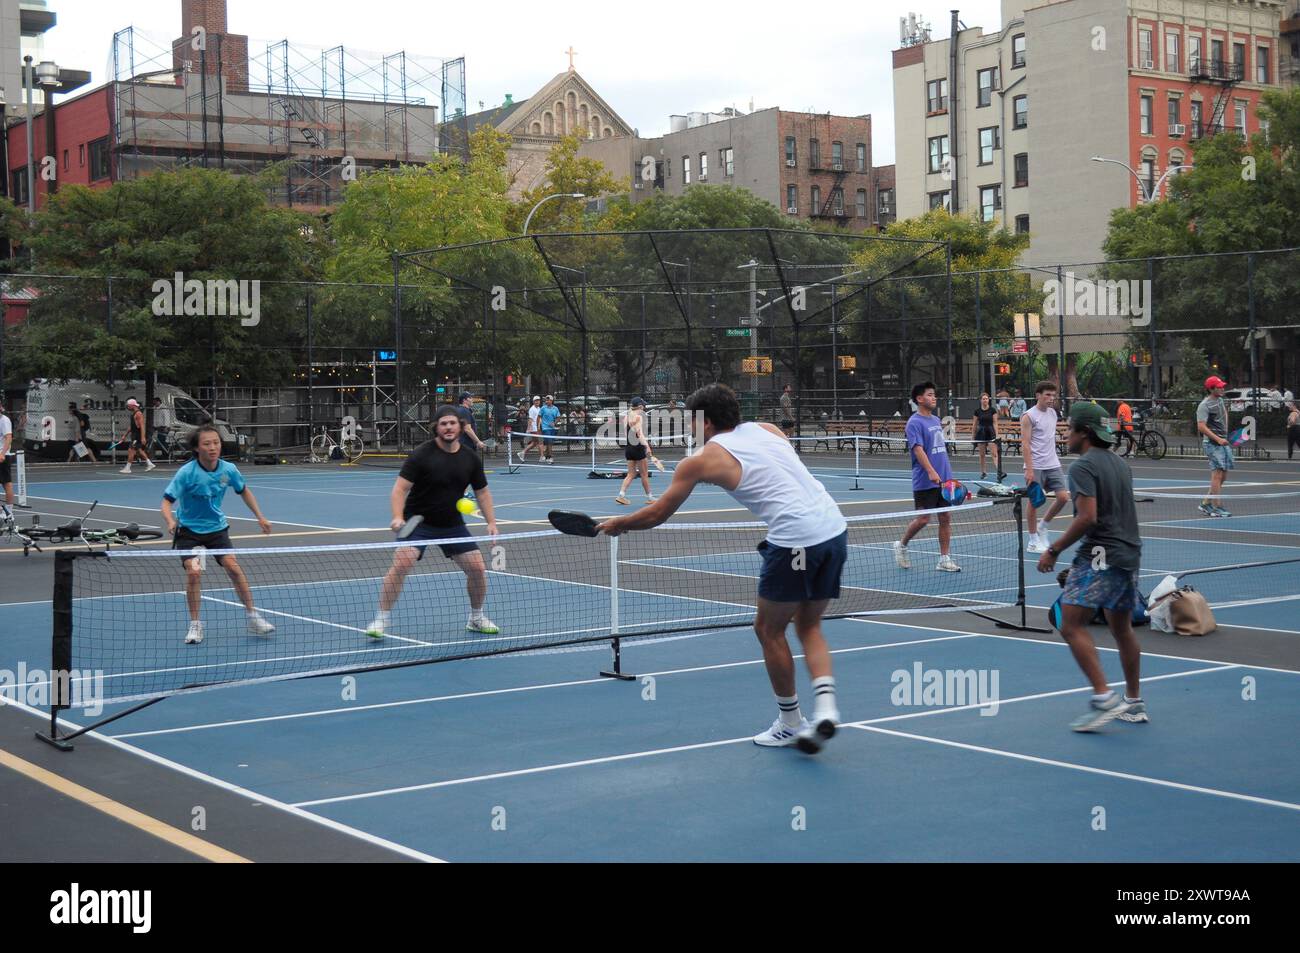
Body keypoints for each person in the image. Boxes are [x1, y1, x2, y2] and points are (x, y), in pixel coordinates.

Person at [597, 383, 846, 754]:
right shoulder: (770, 429)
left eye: (693, 422)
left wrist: (620, 523)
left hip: (795, 538)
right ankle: (826, 710)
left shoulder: (700, 461)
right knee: (808, 625)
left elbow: (658, 513)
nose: (690, 429)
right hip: (834, 530)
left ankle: (791, 722)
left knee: (768, 629)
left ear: (708, 422)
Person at [1036, 403, 1145, 731]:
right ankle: (1134, 702)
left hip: (1100, 554)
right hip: (1129, 554)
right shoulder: (1120, 464)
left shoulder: (1082, 467)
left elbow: (1088, 517)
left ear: (1084, 433)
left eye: (1069, 429)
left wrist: (1053, 550)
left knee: (1071, 625)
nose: (1066, 435)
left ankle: (1103, 697)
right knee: (1121, 629)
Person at [367, 407, 500, 639]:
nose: (448, 427)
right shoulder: (421, 454)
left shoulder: (470, 458)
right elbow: (400, 489)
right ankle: (381, 619)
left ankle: (476, 618)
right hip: (416, 521)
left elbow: (483, 492)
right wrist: (397, 516)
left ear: (460, 426)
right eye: (443, 424)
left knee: (478, 569)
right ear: (436, 428)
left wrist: (492, 522)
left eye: (452, 423)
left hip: (451, 523)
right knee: (402, 563)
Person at [162, 424, 276, 645]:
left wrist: (260, 517)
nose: (213, 447)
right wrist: (170, 520)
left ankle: (253, 617)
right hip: (188, 531)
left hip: (217, 529)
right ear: (197, 448)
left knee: (233, 568)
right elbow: (166, 501)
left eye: (216, 442)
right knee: (194, 573)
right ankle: (195, 625)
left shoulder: (228, 469)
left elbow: (244, 491)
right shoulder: (187, 473)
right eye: (207, 444)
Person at [893, 382, 961, 573]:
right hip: (925, 479)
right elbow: (918, 449)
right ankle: (902, 545)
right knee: (923, 519)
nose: (934, 397)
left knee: (945, 517)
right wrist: (931, 471)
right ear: (919, 399)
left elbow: (940, 450)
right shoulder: (914, 423)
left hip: (945, 479)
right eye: (930, 395)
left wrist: (948, 475)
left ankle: (944, 559)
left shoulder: (936, 420)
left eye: (934, 394)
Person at [1021, 381, 1070, 553]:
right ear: (1038, 395)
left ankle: (1043, 526)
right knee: (1034, 502)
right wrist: (1029, 468)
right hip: (1036, 466)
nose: (1051, 398)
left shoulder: (1053, 414)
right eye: (1047, 395)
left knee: (1063, 497)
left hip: (1053, 463)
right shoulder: (1028, 416)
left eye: (1053, 395)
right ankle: (1033, 540)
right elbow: (1025, 444)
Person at [1196, 376, 1234, 517]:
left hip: (1222, 442)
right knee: (1217, 475)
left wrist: (1225, 434)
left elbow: (1224, 415)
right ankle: (1217, 506)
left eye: (1222, 386)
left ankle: (1206, 503)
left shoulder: (1220, 400)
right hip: (1212, 444)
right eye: (1219, 387)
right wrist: (1218, 439)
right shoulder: (1204, 405)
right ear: (1211, 389)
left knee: (1223, 476)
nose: (1222, 388)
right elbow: (1201, 426)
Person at [616, 397, 655, 506]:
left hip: (629, 448)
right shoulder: (639, 416)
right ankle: (650, 498)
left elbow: (627, 433)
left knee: (631, 474)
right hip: (638, 447)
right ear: (640, 406)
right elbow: (639, 434)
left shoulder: (627, 417)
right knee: (644, 474)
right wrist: (647, 446)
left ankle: (621, 495)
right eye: (643, 405)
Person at [119, 398, 156, 474]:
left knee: (131, 450)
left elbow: (142, 426)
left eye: (128, 406)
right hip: (134, 435)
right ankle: (150, 464)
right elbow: (131, 426)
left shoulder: (138, 414)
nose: (127, 407)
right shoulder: (134, 413)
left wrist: (143, 437)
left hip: (137, 436)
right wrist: (124, 435)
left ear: (132, 405)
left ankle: (128, 468)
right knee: (139, 450)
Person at [971, 391, 1000, 479]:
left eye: (986, 399)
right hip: (981, 433)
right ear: (981, 400)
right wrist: (973, 436)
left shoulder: (992, 410)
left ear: (988, 400)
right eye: (983, 399)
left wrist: (997, 434)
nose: (985, 400)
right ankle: (983, 472)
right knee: (982, 455)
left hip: (990, 432)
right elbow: (974, 424)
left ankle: (999, 471)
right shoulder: (977, 411)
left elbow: (995, 423)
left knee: (994, 454)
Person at [0, 400, 14, 523]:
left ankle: (9, 512)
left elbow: (8, 438)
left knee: (7, 484)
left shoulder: (4, 420)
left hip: (2, 456)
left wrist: (2, 453)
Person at [517, 396, 543, 463]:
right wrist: (528, 429)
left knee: (534, 443)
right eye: (536, 400)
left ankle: (522, 453)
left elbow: (539, 418)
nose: (537, 402)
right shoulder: (532, 409)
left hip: (538, 427)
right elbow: (530, 419)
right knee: (540, 442)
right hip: (534, 428)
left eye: (538, 400)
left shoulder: (539, 408)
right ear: (533, 401)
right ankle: (542, 457)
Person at [539, 394, 561, 463]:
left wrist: (554, 423)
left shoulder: (555, 409)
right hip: (545, 428)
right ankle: (550, 457)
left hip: (552, 428)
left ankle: (545, 456)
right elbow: (539, 417)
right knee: (549, 442)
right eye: (546, 400)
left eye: (548, 400)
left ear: (552, 401)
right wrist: (538, 426)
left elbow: (558, 417)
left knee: (550, 443)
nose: (547, 401)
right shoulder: (543, 408)